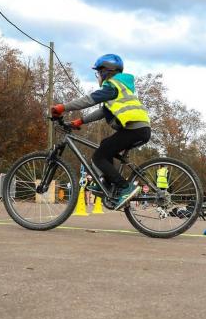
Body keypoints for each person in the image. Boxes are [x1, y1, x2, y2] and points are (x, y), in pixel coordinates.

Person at [51, 54, 150, 210]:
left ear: (106, 72)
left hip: (134, 129)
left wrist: (63, 107)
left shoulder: (112, 85)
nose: (98, 76)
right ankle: (108, 185)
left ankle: (125, 187)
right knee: (105, 146)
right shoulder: (121, 88)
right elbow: (103, 111)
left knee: (99, 157)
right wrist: (80, 121)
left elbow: (90, 99)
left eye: (99, 72)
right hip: (139, 129)